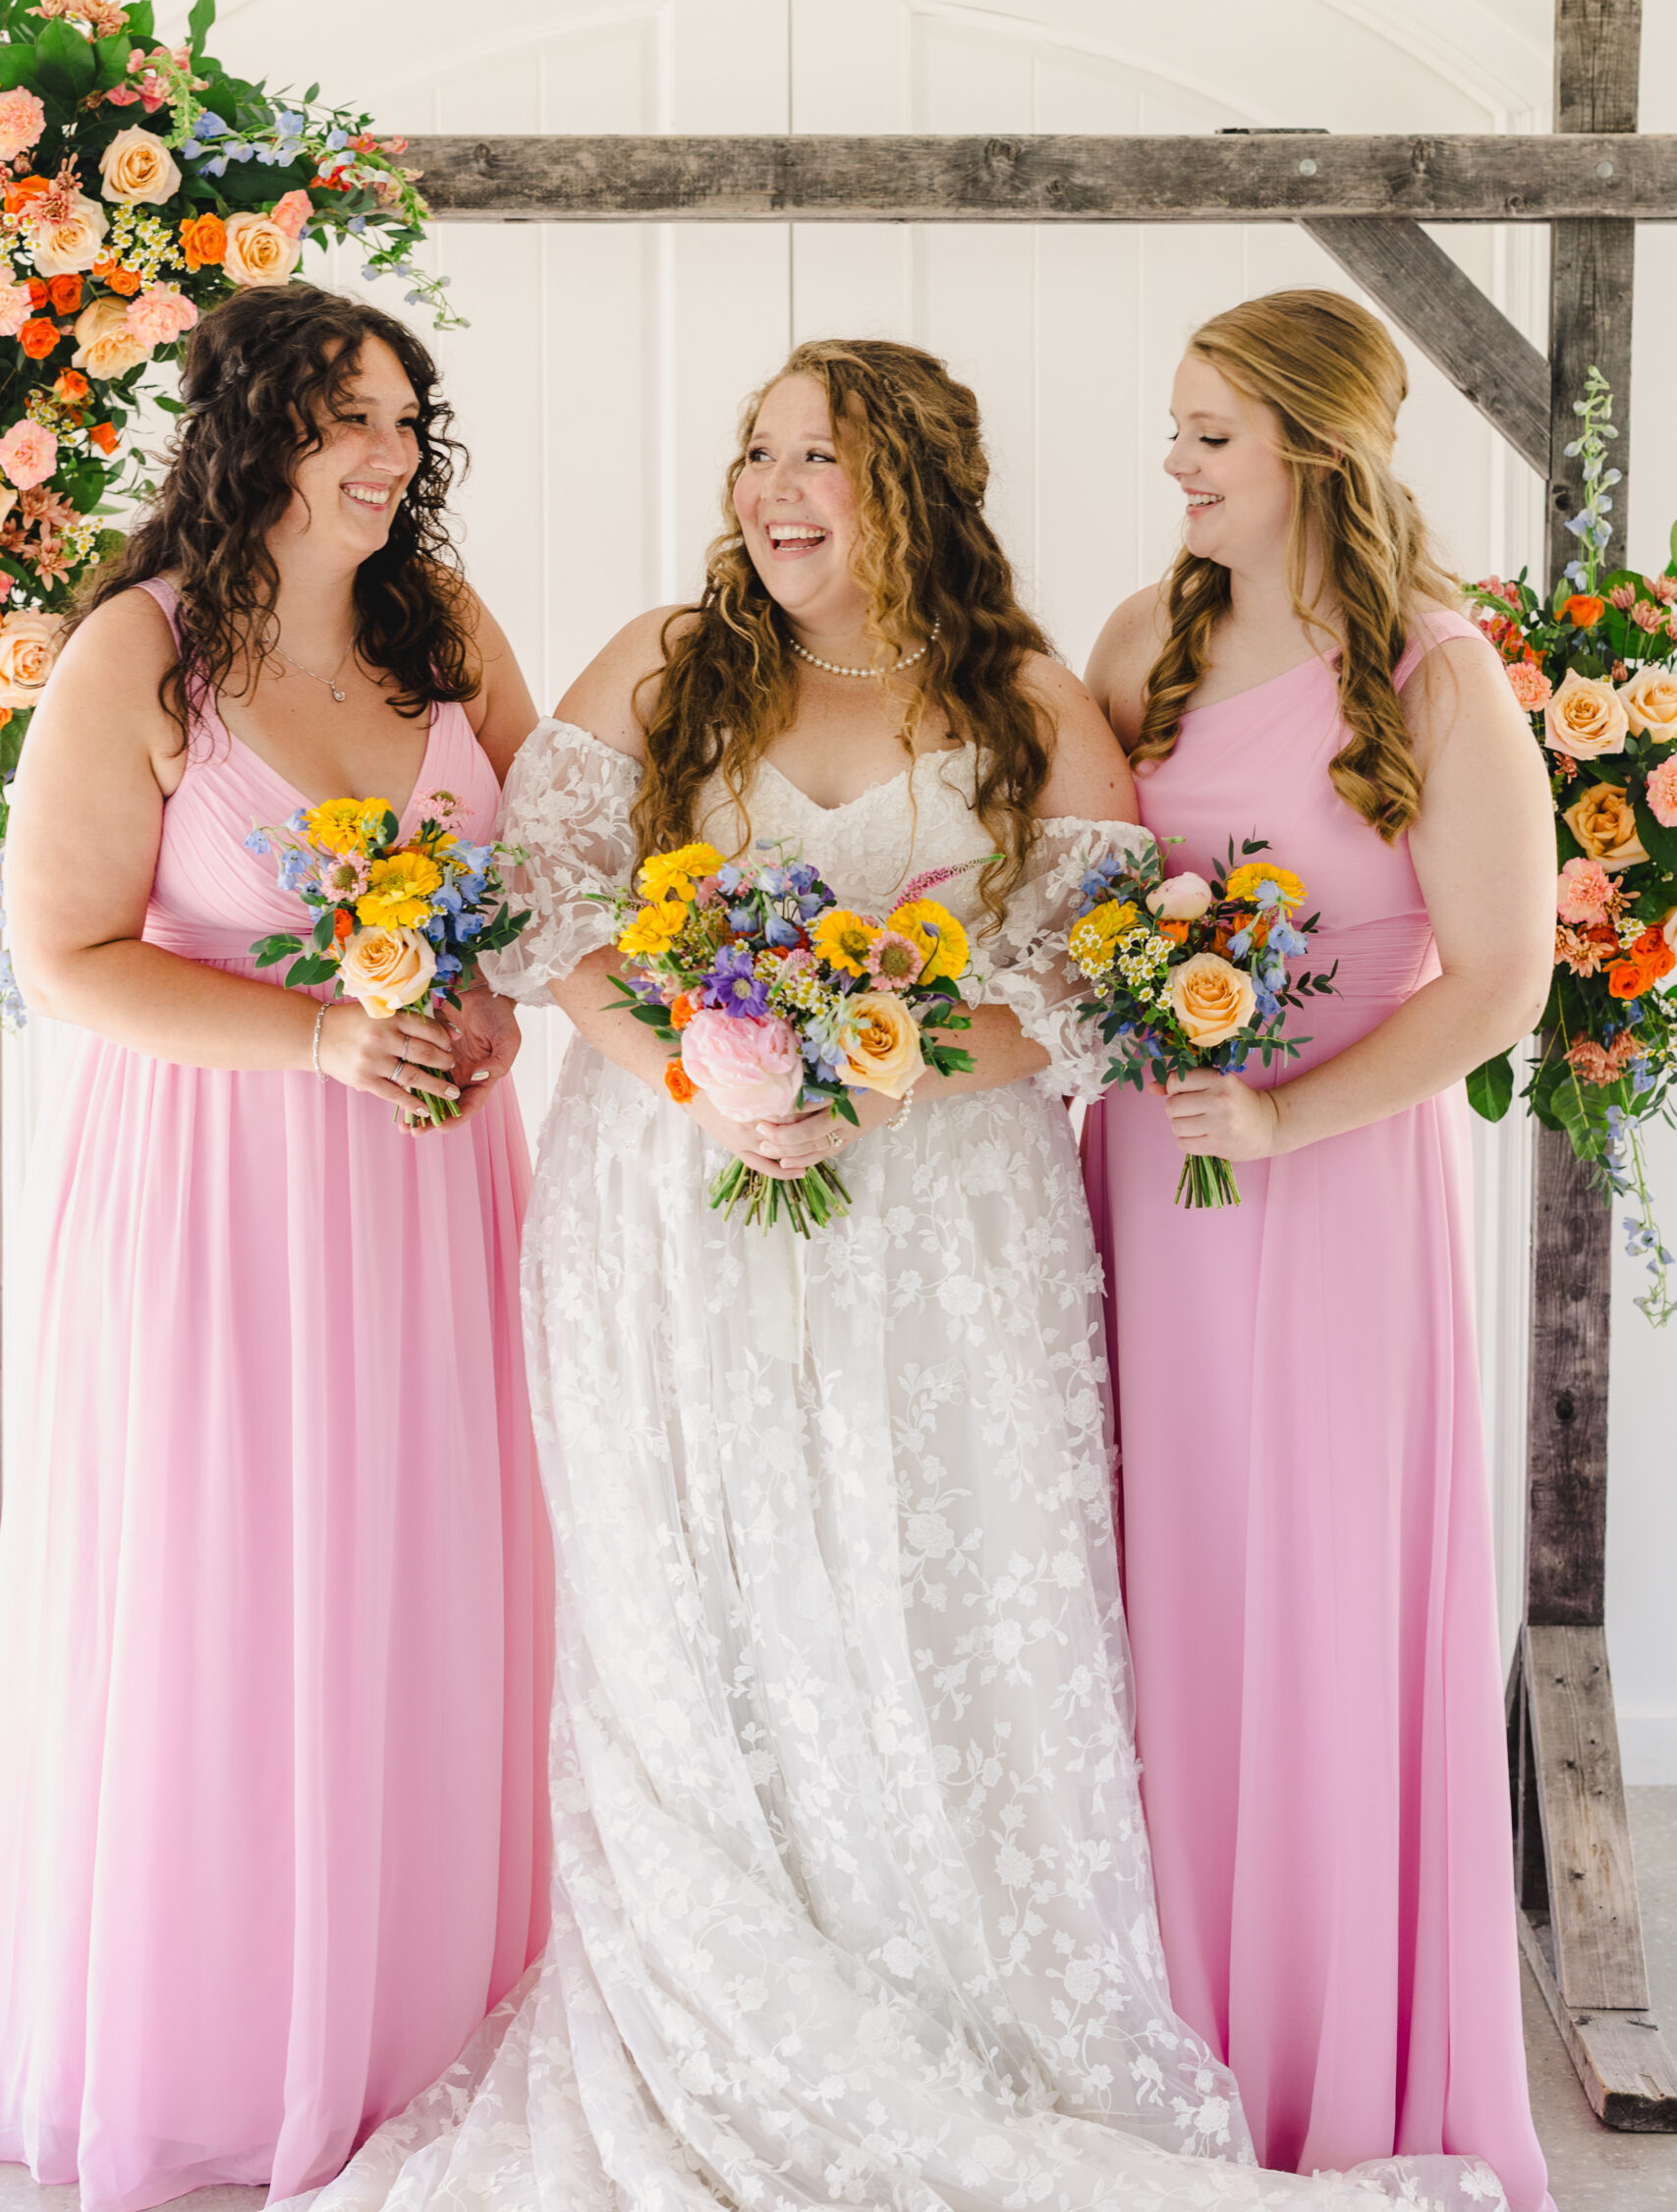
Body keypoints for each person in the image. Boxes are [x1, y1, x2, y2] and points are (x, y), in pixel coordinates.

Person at [289, 338, 1509, 2212]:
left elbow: (1085, 978)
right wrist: (704, 1072)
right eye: (761, 454)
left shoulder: (1032, 695)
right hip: (665, 1221)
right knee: (689, 1629)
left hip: (945, 1235)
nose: (777, 492)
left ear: (918, 489)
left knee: (930, 1618)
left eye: (826, 463)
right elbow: (548, 913)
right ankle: (702, 1999)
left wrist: (881, 1064)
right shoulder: (659, 665)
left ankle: (953, 2002)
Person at [0, 285, 554, 2212]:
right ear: (252, 430)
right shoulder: (137, 661)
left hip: (422, 1191)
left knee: (427, 1577)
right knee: (226, 1600)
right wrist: (318, 1030)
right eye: (350, 419)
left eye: (407, 419)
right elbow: (63, 960)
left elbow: (541, 874)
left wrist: (482, 999)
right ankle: (224, 2046)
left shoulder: (446, 631)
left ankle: (418, 2029)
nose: (390, 457)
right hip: (213, 1200)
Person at [1082, 288, 1555, 2210]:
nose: (1173, 463)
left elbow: (1501, 975)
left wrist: (1285, 1107)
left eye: (1205, 433)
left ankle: (1337, 2056)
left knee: (1318, 1593)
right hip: (1141, 1180)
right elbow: (1056, 885)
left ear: (1307, 448)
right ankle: (1159, 2038)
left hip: (1333, 1188)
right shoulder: (1141, 640)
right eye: (1174, 428)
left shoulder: (1434, 676)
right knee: (1155, 1593)